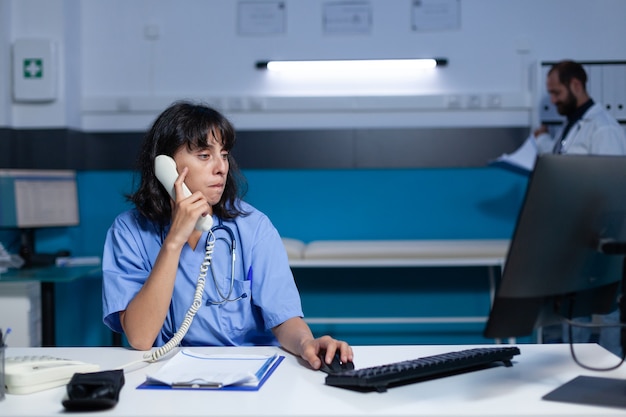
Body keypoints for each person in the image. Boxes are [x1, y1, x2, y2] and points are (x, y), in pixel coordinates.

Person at [102, 101, 353, 369]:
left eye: (223, 154)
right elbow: (140, 338)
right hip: (167, 373)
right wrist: (174, 241)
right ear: (166, 166)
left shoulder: (254, 227)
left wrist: (306, 343)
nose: (221, 167)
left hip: (247, 372)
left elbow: (283, 317)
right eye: (204, 155)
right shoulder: (128, 232)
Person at [533, 60, 626, 356]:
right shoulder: (572, 126)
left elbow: (613, 190)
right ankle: (573, 381)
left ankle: (614, 388)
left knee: (605, 317)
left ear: (576, 85)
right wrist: (542, 140)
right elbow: (564, 163)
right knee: (574, 318)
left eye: (556, 92)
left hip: (597, 244)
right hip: (572, 242)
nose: (553, 100)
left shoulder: (604, 129)